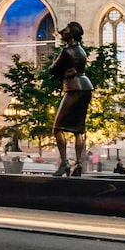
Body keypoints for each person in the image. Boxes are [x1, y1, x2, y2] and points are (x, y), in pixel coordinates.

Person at [49, 21, 93, 177]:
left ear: (72, 34)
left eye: (66, 30)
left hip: (74, 88)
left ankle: (65, 164)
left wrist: (61, 72)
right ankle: (79, 164)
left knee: (57, 128)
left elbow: (52, 69)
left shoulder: (67, 51)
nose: (62, 32)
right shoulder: (81, 51)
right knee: (77, 130)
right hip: (86, 87)